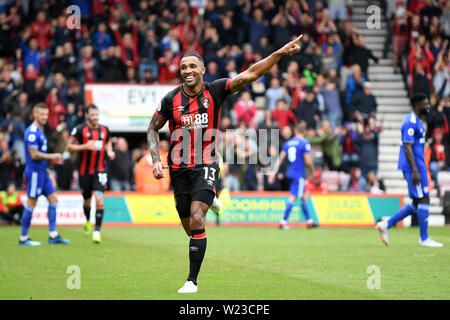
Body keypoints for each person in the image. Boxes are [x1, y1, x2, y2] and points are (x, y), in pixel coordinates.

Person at [147, 35, 304, 294]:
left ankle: (191, 281)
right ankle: (215, 201)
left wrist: (278, 53)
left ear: (202, 70)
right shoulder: (170, 100)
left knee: (198, 219)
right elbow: (152, 128)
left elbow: (251, 74)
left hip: (206, 163)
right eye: (183, 67)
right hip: (178, 169)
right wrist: (155, 159)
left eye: (192, 66)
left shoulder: (215, 90)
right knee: (190, 228)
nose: (187, 71)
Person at [376, 93, 443, 248]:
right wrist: (414, 170)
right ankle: (424, 239)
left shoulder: (419, 121)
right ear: (417, 105)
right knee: (424, 198)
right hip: (414, 167)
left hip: (419, 165)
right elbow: (407, 146)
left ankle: (386, 224)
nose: (428, 106)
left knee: (416, 203)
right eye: (425, 104)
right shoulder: (410, 122)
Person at [19, 103, 70, 246]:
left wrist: (47, 169)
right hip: (34, 172)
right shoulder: (32, 131)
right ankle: (23, 238)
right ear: (34, 114)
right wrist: (52, 156)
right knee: (31, 202)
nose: (44, 117)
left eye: (46, 115)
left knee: (53, 199)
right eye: (41, 114)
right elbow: (34, 155)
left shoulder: (41, 131)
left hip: (42, 172)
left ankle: (53, 235)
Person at [67, 104, 115, 243]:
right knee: (87, 202)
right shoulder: (80, 129)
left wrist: (110, 151)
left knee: (99, 198)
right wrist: (85, 146)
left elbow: (107, 142)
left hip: (100, 170)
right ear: (87, 115)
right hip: (84, 172)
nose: (95, 117)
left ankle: (97, 231)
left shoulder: (105, 129)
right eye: (92, 115)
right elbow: (69, 147)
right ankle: (88, 220)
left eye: (97, 114)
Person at [269, 123, 319, 230]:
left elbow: (281, 158)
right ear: (304, 132)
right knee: (294, 197)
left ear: (295, 131)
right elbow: (308, 160)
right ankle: (283, 222)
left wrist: (274, 171)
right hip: (298, 174)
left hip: (290, 173)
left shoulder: (288, 143)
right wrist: (313, 170)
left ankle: (309, 221)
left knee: (304, 195)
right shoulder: (304, 143)